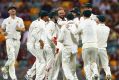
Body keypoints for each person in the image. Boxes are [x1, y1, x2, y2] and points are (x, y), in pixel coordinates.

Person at [0, 6, 25, 80]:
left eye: (14, 9)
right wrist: (3, 33)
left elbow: (23, 29)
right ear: (8, 12)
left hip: (17, 41)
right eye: (11, 9)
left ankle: (13, 77)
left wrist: (19, 29)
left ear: (16, 11)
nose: (13, 10)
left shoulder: (20, 19)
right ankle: (5, 70)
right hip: (9, 40)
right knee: (12, 57)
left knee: (13, 60)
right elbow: (1, 29)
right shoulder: (5, 20)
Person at [77, 10, 99, 80]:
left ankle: (89, 78)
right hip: (94, 45)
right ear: (90, 15)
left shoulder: (82, 23)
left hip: (86, 45)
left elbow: (77, 32)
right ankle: (95, 72)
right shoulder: (94, 23)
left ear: (83, 16)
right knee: (93, 61)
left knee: (86, 63)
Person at [58, 12, 78, 80]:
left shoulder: (64, 26)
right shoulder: (76, 25)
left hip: (67, 47)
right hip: (74, 47)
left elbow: (60, 39)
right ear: (73, 18)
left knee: (65, 65)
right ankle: (73, 77)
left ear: (67, 18)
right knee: (73, 65)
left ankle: (70, 78)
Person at [96, 15, 111, 80]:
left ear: (99, 20)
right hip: (103, 48)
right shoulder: (108, 28)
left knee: (96, 65)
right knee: (105, 64)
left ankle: (96, 75)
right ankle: (108, 74)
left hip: (95, 48)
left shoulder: (95, 27)